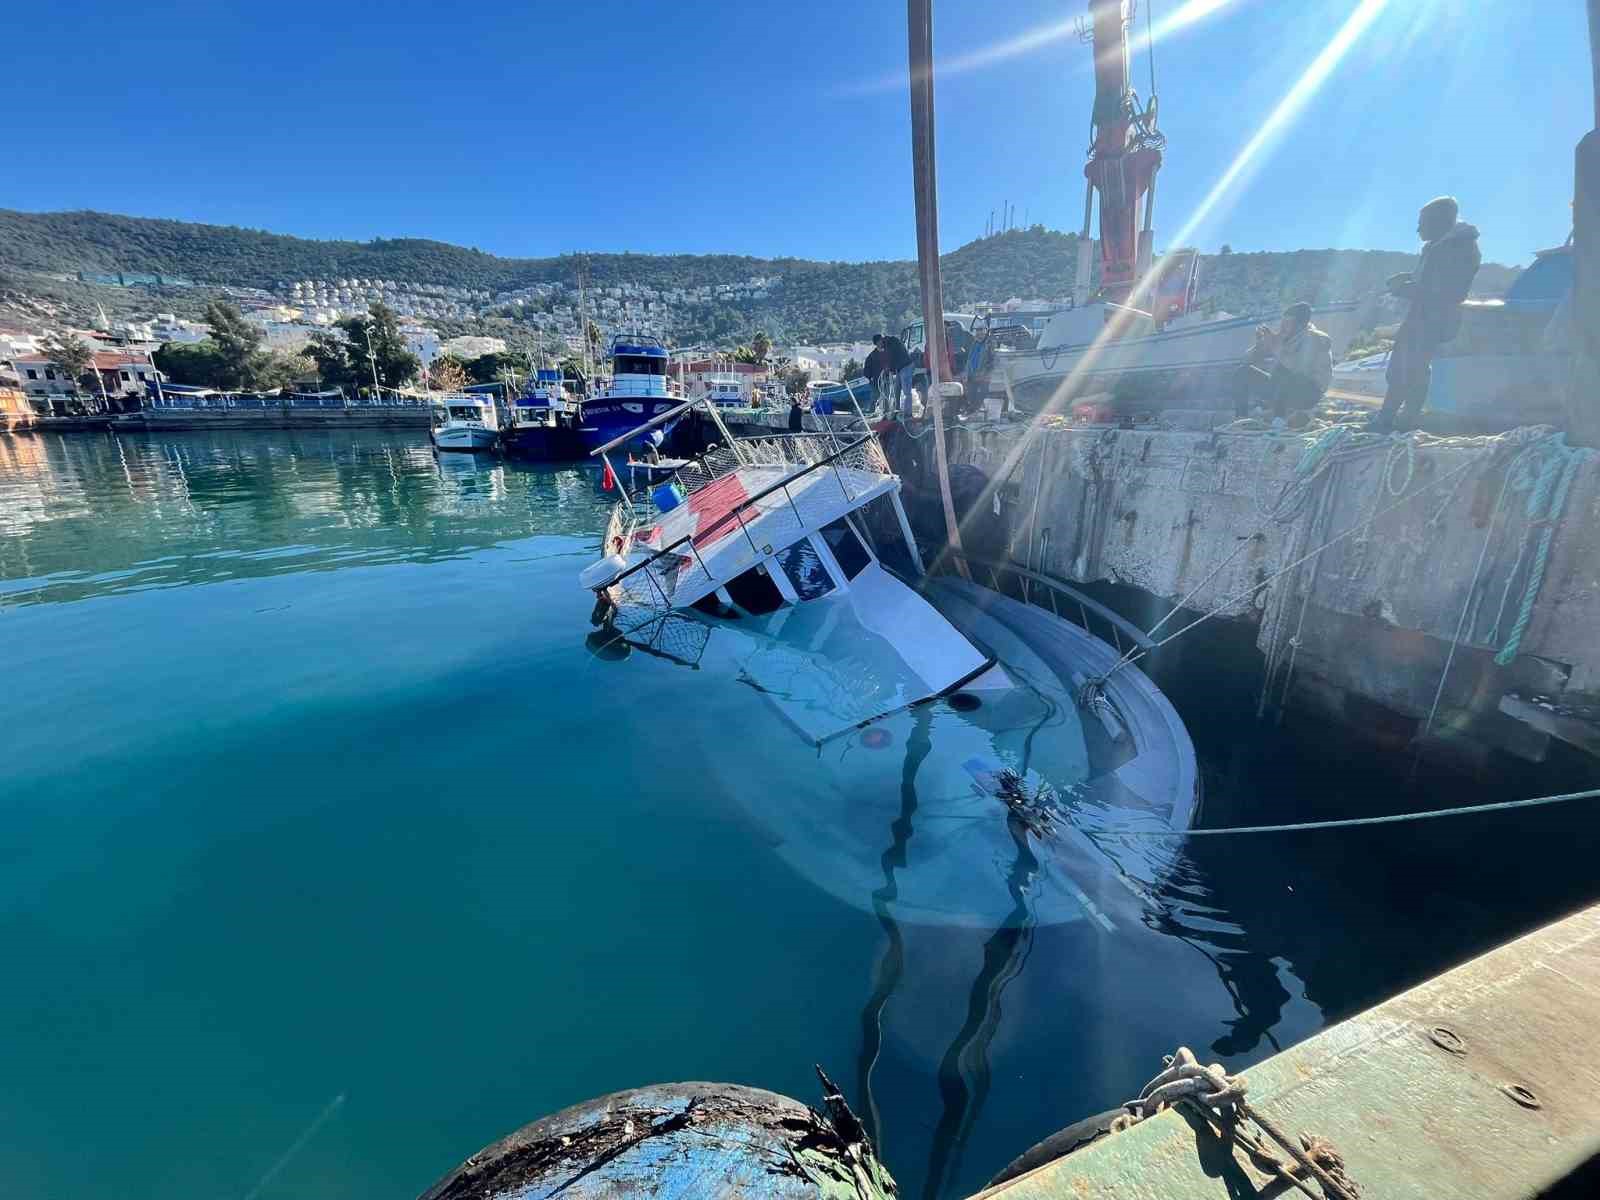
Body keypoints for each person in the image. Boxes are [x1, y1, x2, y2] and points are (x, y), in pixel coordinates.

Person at [1372, 196, 1481, 432]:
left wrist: (1404, 288)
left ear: (1440, 221)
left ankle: (1391, 420)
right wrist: (1407, 280)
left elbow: (1444, 291)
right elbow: (1432, 283)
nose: (1418, 228)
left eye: (1423, 222)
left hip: (1434, 317)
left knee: (1407, 367)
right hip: (1425, 315)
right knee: (1411, 367)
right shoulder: (1440, 246)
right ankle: (1404, 419)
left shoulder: (1457, 247)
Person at [1236, 302, 1332, 422]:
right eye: (1283, 322)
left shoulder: (1314, 338)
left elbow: (1300, 369)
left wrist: (1276, 348)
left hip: (1309, 393)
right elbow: (1246, 359)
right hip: (1284, 390)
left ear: (1300, 324)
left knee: (1284, 373)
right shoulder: (1285, 337)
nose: (1283, 326)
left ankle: (1278, 420)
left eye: (1288, 323)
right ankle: (1241, 418)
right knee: (1243, 372)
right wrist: (1260, 346)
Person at [882, 331, 914, 417]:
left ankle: (908, 413)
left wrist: (890, 370)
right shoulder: (893, 342)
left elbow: (891, 358)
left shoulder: (891, 345)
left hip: (905, 366)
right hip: (899, 368)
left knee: (906, 391)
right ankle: (897, 409)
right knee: (897, 389)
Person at [863, 336, 889, 413]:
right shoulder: (871, 356)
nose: (882, 342)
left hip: (887, 379)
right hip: (875, 381)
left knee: (887, 396)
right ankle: (871, 412)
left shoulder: (887, 352)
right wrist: (870, 378)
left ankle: (886, 412)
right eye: (881, 340)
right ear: (877, 342)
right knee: (875, 397)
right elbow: (866, 370)